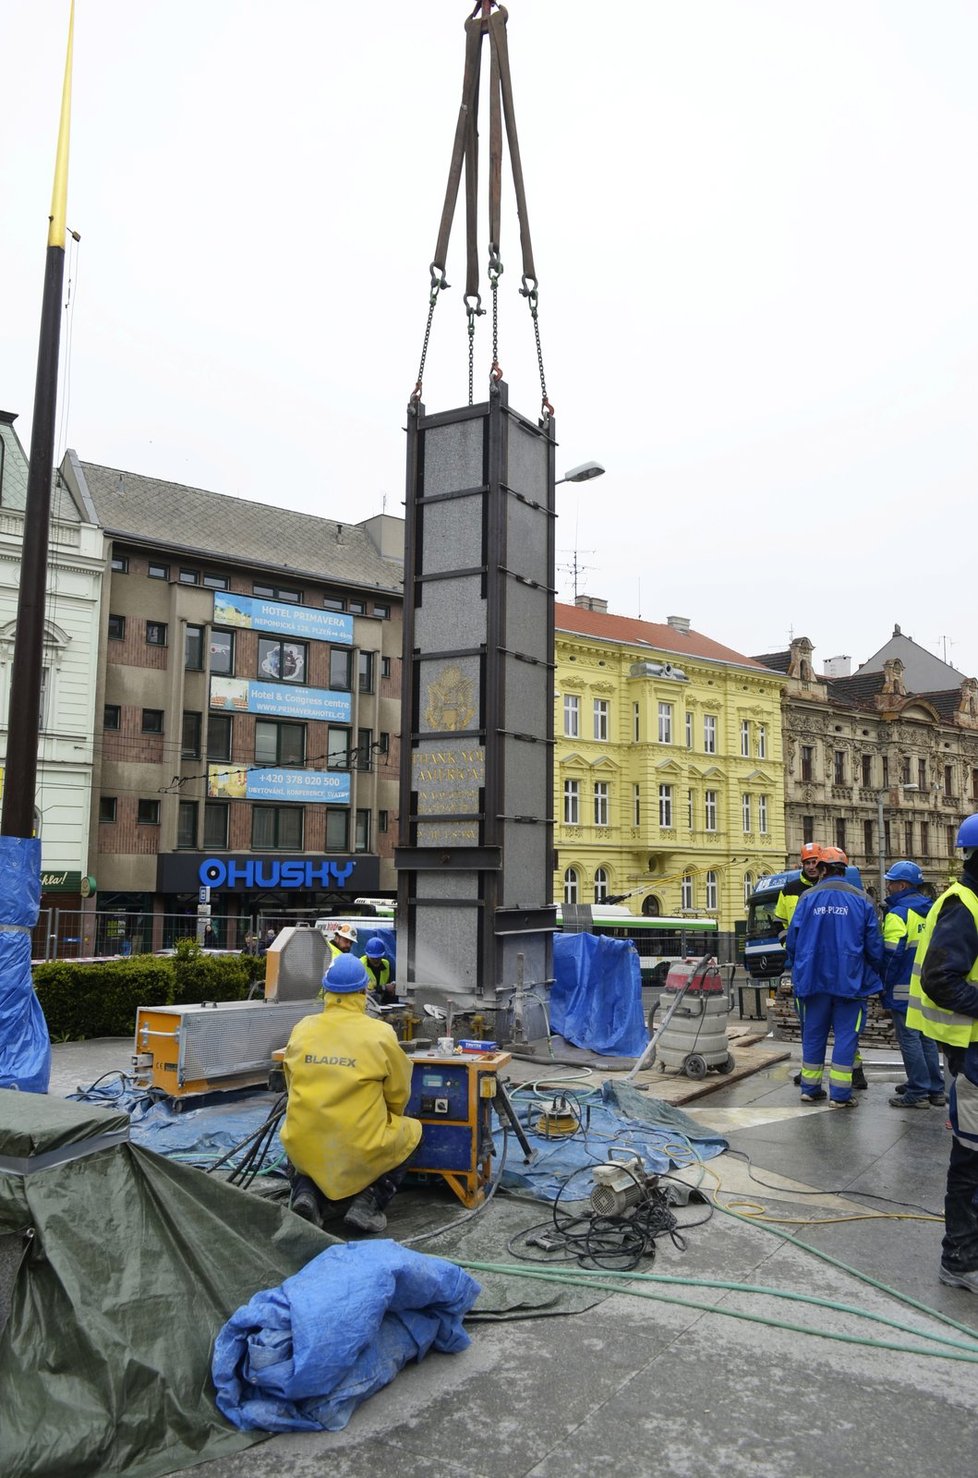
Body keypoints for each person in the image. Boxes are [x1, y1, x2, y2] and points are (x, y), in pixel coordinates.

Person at [280, 953, 422, 1234]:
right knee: (412, 1131)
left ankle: (305, 1192)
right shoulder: (380, 1034)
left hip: (301, 1139)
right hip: (357, 1146)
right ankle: (368, 1201)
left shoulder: (302, 1029)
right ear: (363, 990)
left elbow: (290, 1082)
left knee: (303, 1144)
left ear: (327, 990)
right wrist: (390, 1117)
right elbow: (398, 1094)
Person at [906, 814, 978, 1291]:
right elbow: (940, 979)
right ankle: (961, 1259)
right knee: (972, 1159)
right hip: (972, 1053)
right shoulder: (963, 904)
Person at [785, 845, 884, 1107]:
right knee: (846, 1036)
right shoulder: (862, 900)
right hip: (849, 981)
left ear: (824, 869)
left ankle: (810, 1088)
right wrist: (874, 971)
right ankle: (840, 1095)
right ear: (844, 869)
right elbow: (875, 946)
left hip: (812, 980)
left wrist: (800, 967)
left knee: (813, 1035)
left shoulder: (807, 897)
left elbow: (792, 943)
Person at [880, 860, 944, 1110]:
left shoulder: (898, 914)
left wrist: (883, 986)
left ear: (902, 885)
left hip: (903, 987)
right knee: (926, 1037)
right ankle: (935, 1089)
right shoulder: (932, 909)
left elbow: (890, 957)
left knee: (909, 1038)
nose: (888, 887)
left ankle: (917, 1090)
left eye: (891, 882)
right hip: (928, 986)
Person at [361, 937, 396, 1004]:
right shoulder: (360, 965)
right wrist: (384, 987)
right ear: (367, 955)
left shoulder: (386, 964)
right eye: (373, 958)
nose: (376, 960)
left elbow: (388, 985)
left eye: (378, 957)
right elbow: (366, 991)